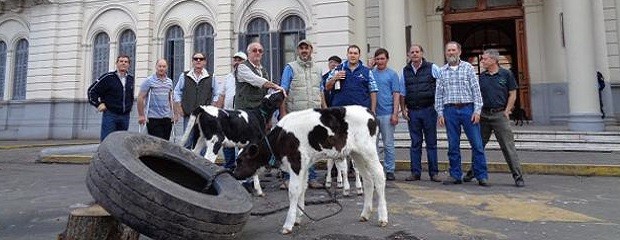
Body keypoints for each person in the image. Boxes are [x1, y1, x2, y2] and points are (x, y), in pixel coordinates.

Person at [462, 49, 524, 187]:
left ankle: (518, 176)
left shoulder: (506, 74)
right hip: (484, 115)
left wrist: (507, 110)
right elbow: (476, 95)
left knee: (508, 147)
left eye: (484, 59)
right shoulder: (482, 77)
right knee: (478, 146)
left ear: (493, 60)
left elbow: (513, 93)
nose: (482, 61)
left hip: (499, 115)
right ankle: (473, 172)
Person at [435, 41, 489, 186]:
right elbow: (439, 94)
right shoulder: (441, 71)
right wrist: (440, 113)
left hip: (468, 109)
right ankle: (455, 175)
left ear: (459, 52)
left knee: (477, 144)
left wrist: (477, 110)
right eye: (448, 50)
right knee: (453, 145)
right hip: (450, 111)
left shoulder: (468, 68)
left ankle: (481, 175)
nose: (451, 53)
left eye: (453, 50)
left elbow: (476, 91)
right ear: (446, 53)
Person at [278, 39, 324, 189]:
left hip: (313, 116)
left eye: (307, 48)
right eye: (301, 48)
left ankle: (311, 177)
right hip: (295, 116)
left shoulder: (318, 69)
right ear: (298, 51)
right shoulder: (290, 68)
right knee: (291, 147)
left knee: (312, 147)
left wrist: (325, 111)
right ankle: (287, 177)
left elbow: (321, 91)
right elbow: (283, 91)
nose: (304, 51)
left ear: (311, 50)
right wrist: (283, 113)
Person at [400, 44, 442, 182]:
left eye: (417, 52)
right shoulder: (405, 71)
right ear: (408, 55)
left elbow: (441, 87)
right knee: (415, 143)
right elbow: (402, 92)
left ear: (422, 53)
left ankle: (434, 173)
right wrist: (403, 108)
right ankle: (415, 173)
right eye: (412, 52)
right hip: (413, 111)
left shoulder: (433, 67)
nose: (415, 54)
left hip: (429, 110)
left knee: (431, 143)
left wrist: (439, 108)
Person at [173, 52, 219, 150]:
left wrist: (213, 106)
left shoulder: (211, 77)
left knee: (201, 143)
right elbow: (176, 92)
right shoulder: (184, 76)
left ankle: (200, 164)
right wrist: (179, 106)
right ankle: (185, 163)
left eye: (201, 59)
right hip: (188, 114)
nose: (198, 61)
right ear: (192, 61)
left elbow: (217, 94)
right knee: (187, 141)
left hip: (204, 116)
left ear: (205, 62)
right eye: (196, 59)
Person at [88, 55, 134, 142]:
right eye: (121, 61)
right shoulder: (108, 78)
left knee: (121, 143)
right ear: (116, 63)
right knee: (107, 142)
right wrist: (98, 104)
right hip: (110, 115)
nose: (123, 63)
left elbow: (130, 95)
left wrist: (129, 106)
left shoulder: (131, 79)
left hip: (125, 116)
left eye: (126, 62)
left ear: (129, 65)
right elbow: (91, 91)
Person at [214, 51, 247, 170]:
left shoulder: (248, 77)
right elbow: (222, 96)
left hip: (242, 117)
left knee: (242, 144)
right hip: (227, 116)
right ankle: (229, 167)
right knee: (227, 143)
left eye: (240, 60)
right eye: (236, 60)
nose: (237, 62)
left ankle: (242, 169)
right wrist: (217, 113)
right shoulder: (228, 77)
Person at [371, 48, 400, 181]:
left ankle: (390, 170)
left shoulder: (392, 74)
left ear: (387, 59)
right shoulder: (371, 73)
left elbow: (396, 94)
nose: (380, 61)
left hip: (388, 114)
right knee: (373, 145)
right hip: (373, 114)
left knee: (388, 144)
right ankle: (376, 169)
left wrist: (395, 113)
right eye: (377, 59)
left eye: (382, 58)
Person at [325, 44, 377, 112]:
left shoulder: (367, 71)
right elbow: (327, 87)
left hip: (360, 112)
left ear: (359, 55)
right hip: (340, 111)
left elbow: (373, 91)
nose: (352, 55)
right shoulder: (337, 69)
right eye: (350, 53)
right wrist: (334, 78)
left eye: (355, 53)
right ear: (347, 54)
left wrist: (373, 111)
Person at [234, 42, 285, 109]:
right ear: (248, 53)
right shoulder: (242, 67)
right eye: (254, 50)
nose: (257, 53)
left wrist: (279, 93)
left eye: (260, 51)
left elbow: (267, 90)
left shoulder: (263, 70)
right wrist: (276, 86)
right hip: (244, 111)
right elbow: (256, 80)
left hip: (258, 111)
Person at [137, 59, 174, 140]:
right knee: (158, 142)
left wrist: (173, 114)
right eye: (159, 66)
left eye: (164, 66)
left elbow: (170, 98)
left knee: (166, 142)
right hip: (153, 117)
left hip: (167, 117)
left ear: (167, 68)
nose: (161, 68)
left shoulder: (169, 82)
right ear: (156, 67)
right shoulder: (149, 81)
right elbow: (140, 97)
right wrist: (141, 115)